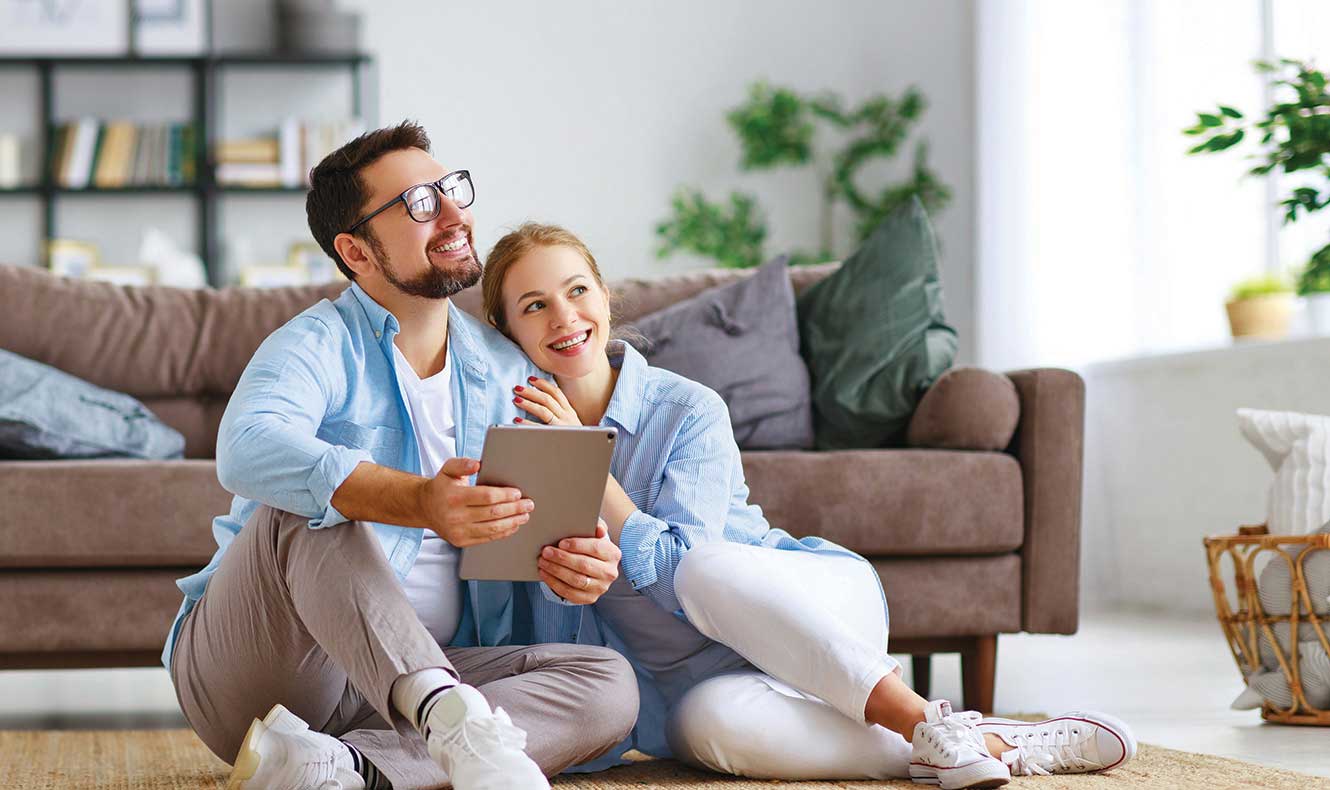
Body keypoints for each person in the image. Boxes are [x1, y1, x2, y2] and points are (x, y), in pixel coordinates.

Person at [480, 222, 1138, 789]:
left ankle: (917, 717)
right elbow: (526, 613)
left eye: (576, 290)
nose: (563, 316)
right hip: (708, 685)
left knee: (704, 567)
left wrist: (586, 466)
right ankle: (986, 745)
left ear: (604, 296)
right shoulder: (507, 445)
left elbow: (677, 569)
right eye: (533, 305)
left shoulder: (685, 409)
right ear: (505, 332)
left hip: (819, 612)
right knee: (705, 729)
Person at [163, 124, 638, 790]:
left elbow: (529, 526)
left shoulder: (506, 369)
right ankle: (453, 729)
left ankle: (348, 768)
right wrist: (418, 501)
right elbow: (245, 449)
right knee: (311, 507)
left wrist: (577, 562)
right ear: (356, 252)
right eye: (419, 203)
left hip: (412, 681)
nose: (453, 214)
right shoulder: (315, 344)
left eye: (451, 190)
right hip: (270, 674)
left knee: (609, 684)